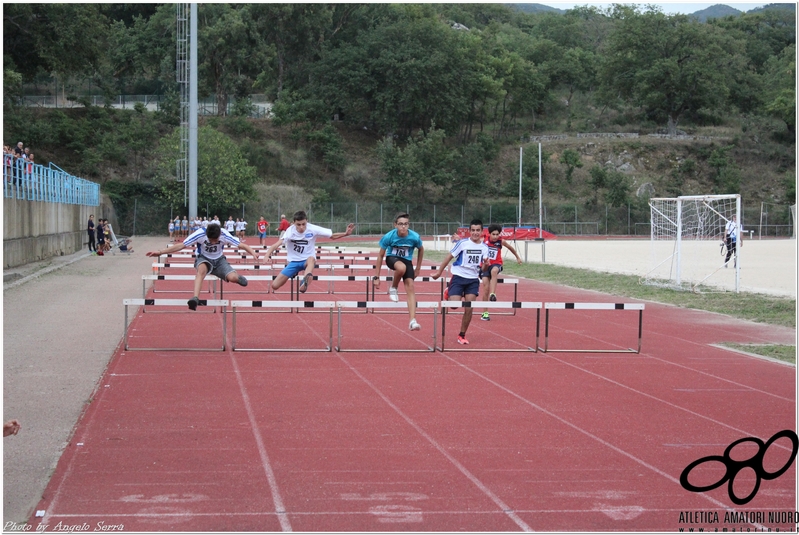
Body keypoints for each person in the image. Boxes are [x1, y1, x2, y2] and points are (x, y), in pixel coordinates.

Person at [146, 222, 259, 311]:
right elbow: (181, 245)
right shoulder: (200, 234)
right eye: (211, 240)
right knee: (201, 271)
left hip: (219, 260)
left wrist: (253, 252)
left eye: (216, 240)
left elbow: (242, 245)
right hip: (203, 258)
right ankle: (195, 298)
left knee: (233, 278)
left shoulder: (224, 234)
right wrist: (160, 252)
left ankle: (238, 278)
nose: (214, 243)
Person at [264, 210, 355, 293]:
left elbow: (331, 236)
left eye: (304, 224)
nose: (301, 227)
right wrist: (267, 255)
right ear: (293, 223)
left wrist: (345, 234)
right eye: (298, 225)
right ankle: (296, 274)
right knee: (274, 286)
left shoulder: (313, 228)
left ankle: (305, 281)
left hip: (307, 260)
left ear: (307, 221)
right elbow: (276, 244)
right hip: (293, 262)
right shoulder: (290, 231)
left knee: (311, 259)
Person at [431, 219, 490, 345]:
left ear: (481, 232)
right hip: (458, 276)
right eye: (473, 230)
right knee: (453, 305)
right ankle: (449, 292)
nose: (475, 233)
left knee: (469, 307)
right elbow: (449, 257)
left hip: (473, 279)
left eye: (477, 230)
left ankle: (462, 334)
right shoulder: (463, 243)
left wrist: (486, 265)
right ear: (469, 231)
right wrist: (438, 272)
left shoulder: (484, 247)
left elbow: (484, 269)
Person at [372, 212, 424, 331]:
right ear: (395, 225)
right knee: (401, 268)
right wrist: (377, 277)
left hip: (407, 261)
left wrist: (418, 268)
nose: (403, 227)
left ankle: (412, 321)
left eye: (406, 224)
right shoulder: (389, 236)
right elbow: (380, 256)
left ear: (409, 225)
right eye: (400, 224)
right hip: (392, 259)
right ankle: (393, 288)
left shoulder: (414, 237)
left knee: (410, 287)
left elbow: (421, 249)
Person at [479, 224, 523, 321]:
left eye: (497, 234)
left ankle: (493, 294)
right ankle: (485, 312)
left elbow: (511, 248)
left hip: (496, 264)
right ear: (489, 234)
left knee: (494, 271)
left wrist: (517, 257)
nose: (495, 236)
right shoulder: (483, 240)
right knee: (485, 288)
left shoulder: (501, 241)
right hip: (485, 265)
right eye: (493, 234)